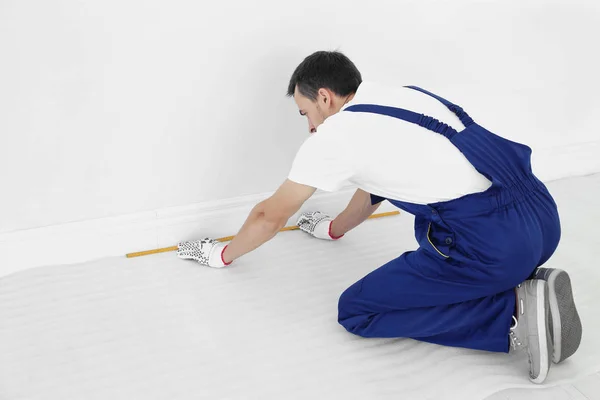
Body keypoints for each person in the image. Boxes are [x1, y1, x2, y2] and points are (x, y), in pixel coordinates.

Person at [176, 51, 582, 384]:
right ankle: (519, 282)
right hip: (543, 216)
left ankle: (512, 313)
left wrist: (222, 255)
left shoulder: (334, 137)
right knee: (444, 242)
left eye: (304, 113)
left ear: (324, 97)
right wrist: (333, 229)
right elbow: (376, 184)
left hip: (495, 246)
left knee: (357, 311)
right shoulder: (405, 97)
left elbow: (268, 216)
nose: (309, 125)